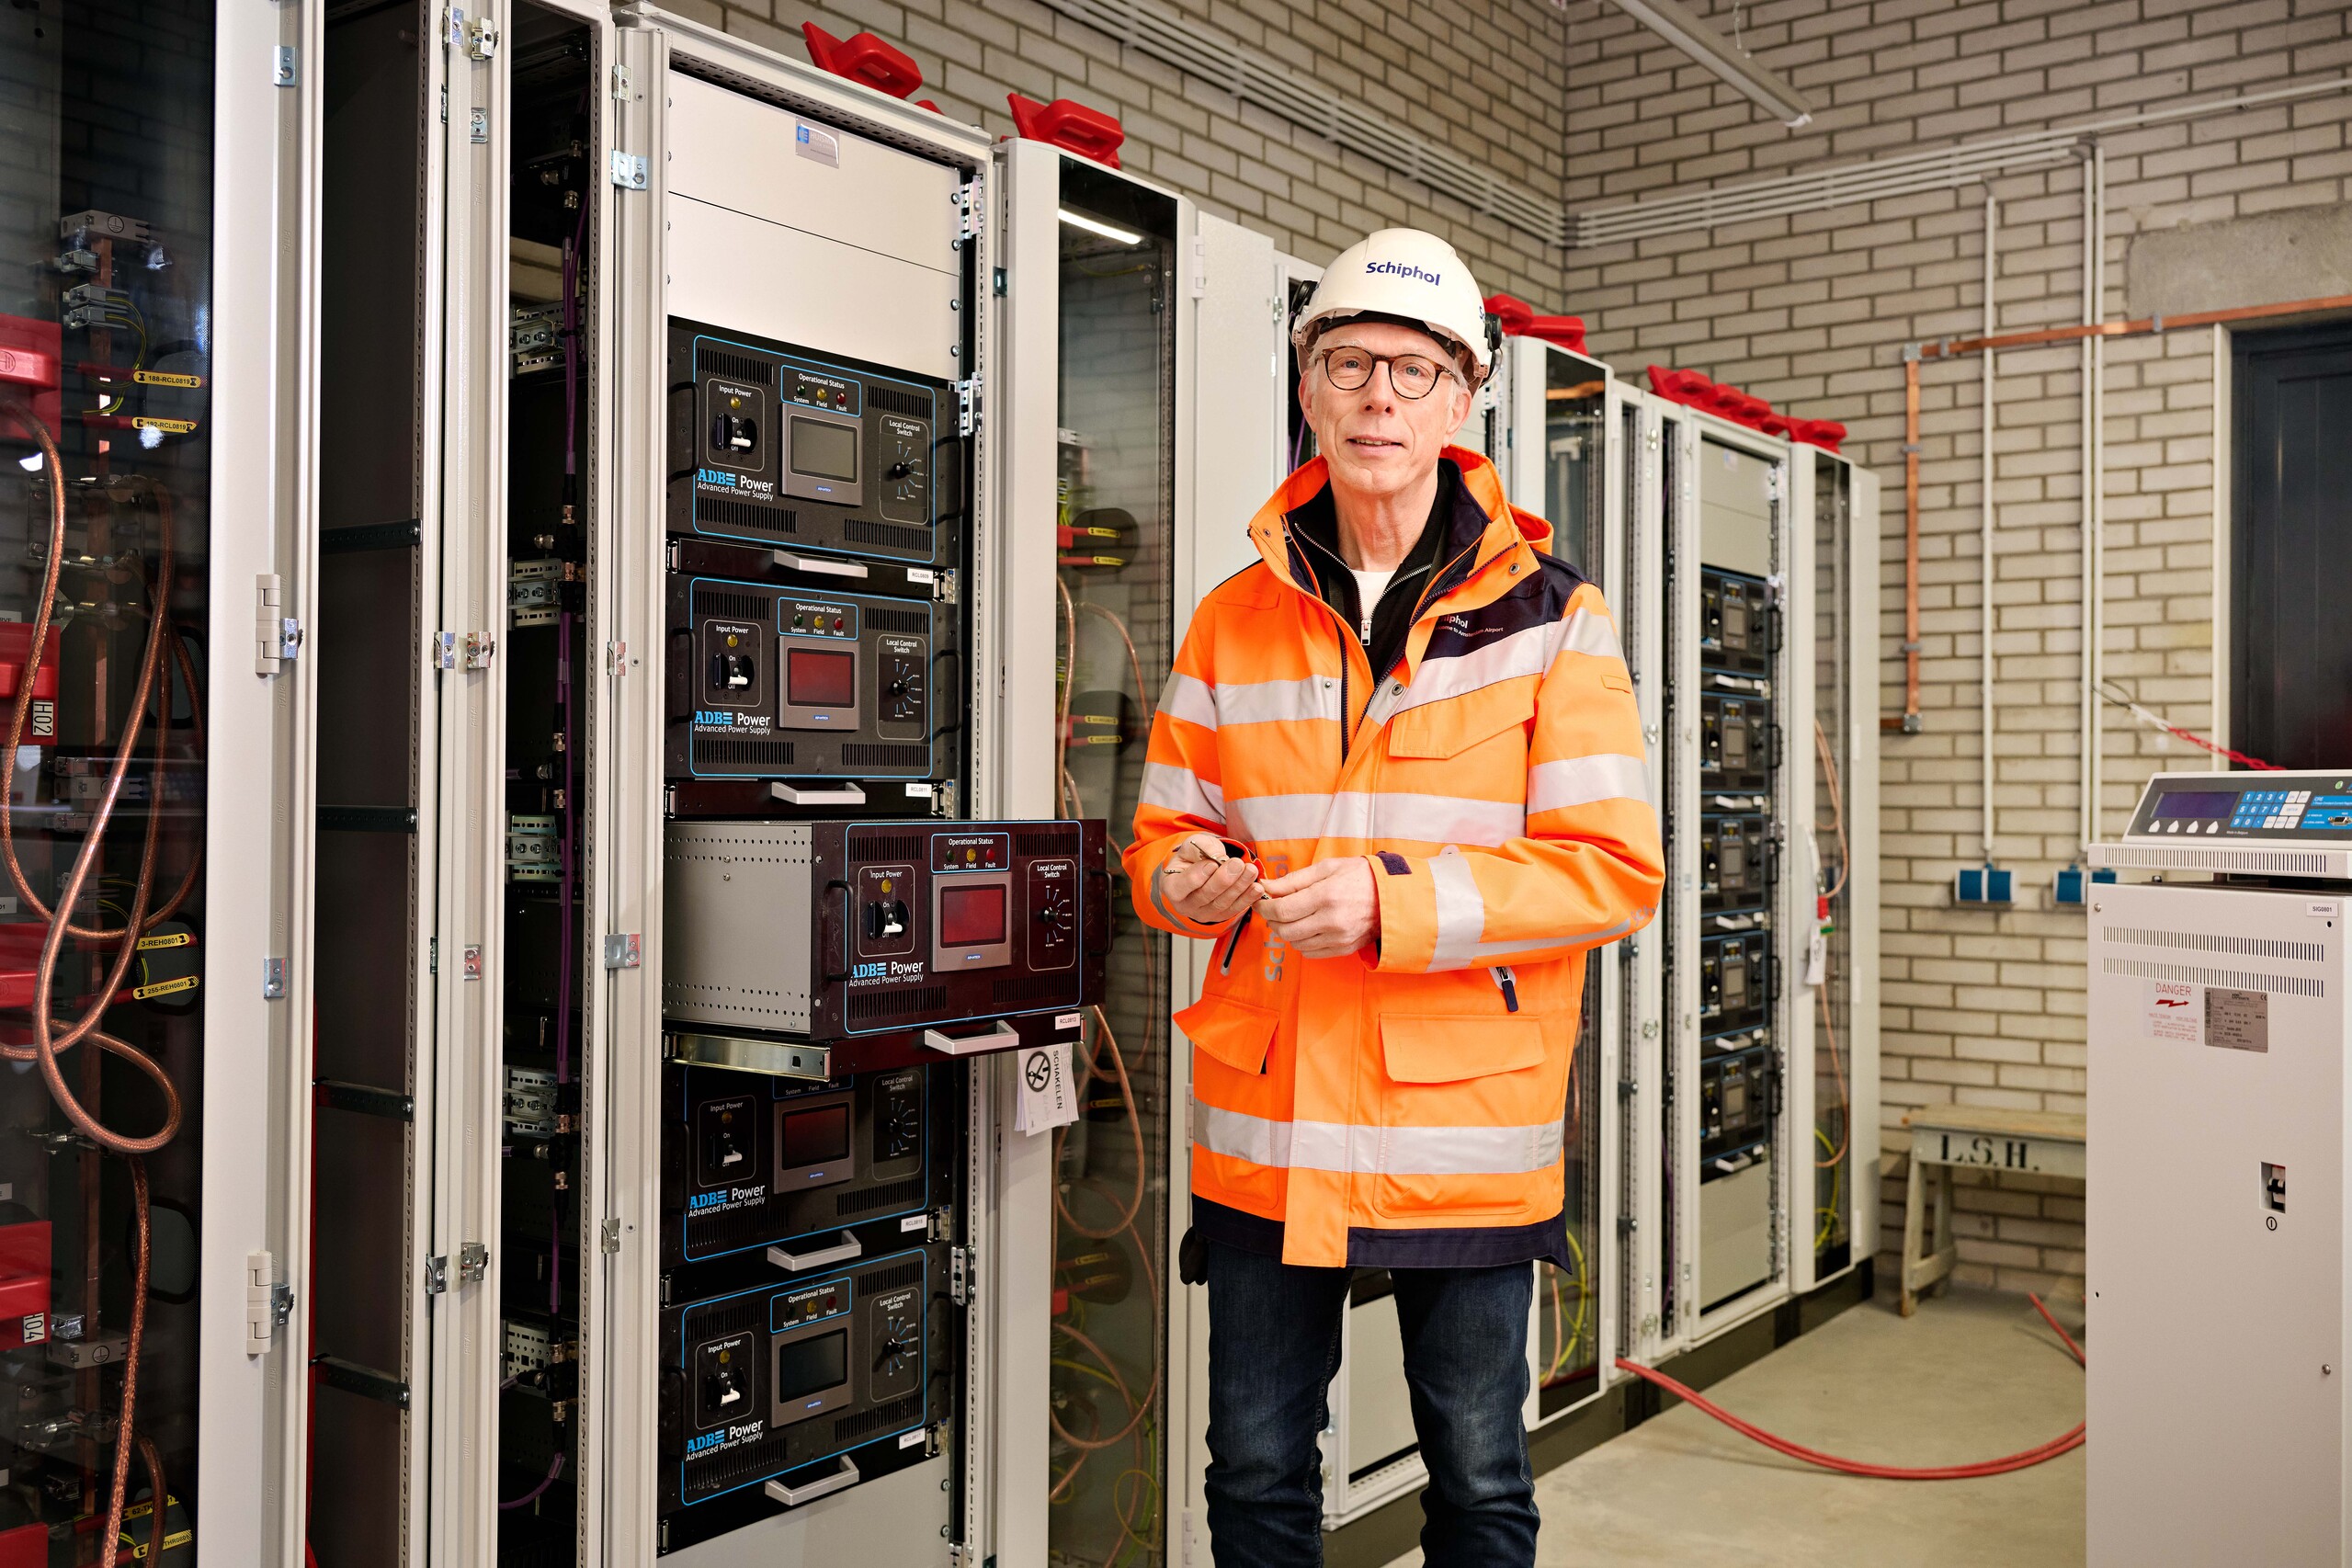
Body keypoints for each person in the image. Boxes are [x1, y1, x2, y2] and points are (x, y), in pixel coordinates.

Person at [1125, 227, 1665, 1568]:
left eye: (1414, 372)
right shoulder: (1230, 618)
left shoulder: (1555, 618)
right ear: (1307, 386)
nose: (1380, 398)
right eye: (1353, 363)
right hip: (1267, 1124)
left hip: (1461, 1131)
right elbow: (1163, 833)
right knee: (1254, 1470)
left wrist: (1388, 907)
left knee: (1478, 1476)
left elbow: (1613, 868)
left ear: (1463, 400)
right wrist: (1182, 880)